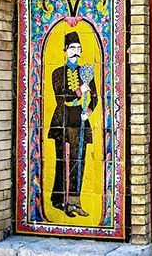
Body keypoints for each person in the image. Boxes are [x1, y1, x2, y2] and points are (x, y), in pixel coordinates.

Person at [48, 31, 98, 218]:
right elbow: (61, 96)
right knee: (63, 161)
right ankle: (60, 200)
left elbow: (95, 96)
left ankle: (75, 202)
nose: (75, 51)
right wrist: (79, 90)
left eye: (78, 48)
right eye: (71, 48)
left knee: (79, 161)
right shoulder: (57, 73)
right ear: (65, 50)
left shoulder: (86, 72)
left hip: (80, 119)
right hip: (63, 119)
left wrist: (89, 111)